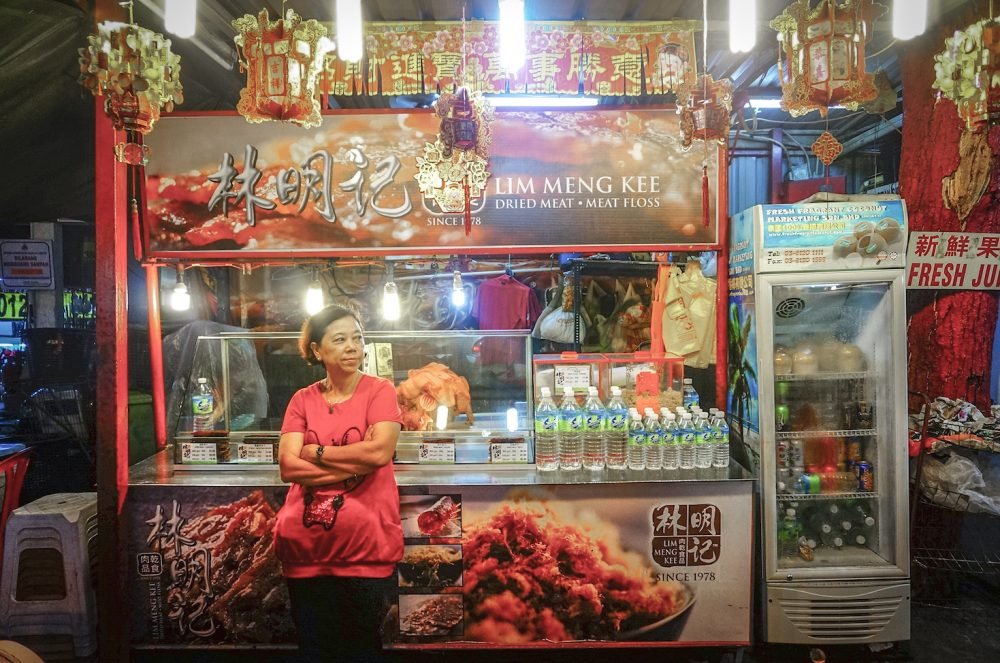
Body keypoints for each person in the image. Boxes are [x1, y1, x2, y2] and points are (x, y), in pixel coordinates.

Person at [273, 305, 403, 662]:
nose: (352, 347)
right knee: (315, 648)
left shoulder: (380, 391)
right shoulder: (302, 399)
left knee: (361, 646)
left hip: (364, 547)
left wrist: (313, 451)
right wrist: (351, 467)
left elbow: (379, 452)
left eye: (358, 338)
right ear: (317, 350)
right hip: (305, 549)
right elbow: (287, 465)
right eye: (340, 339)